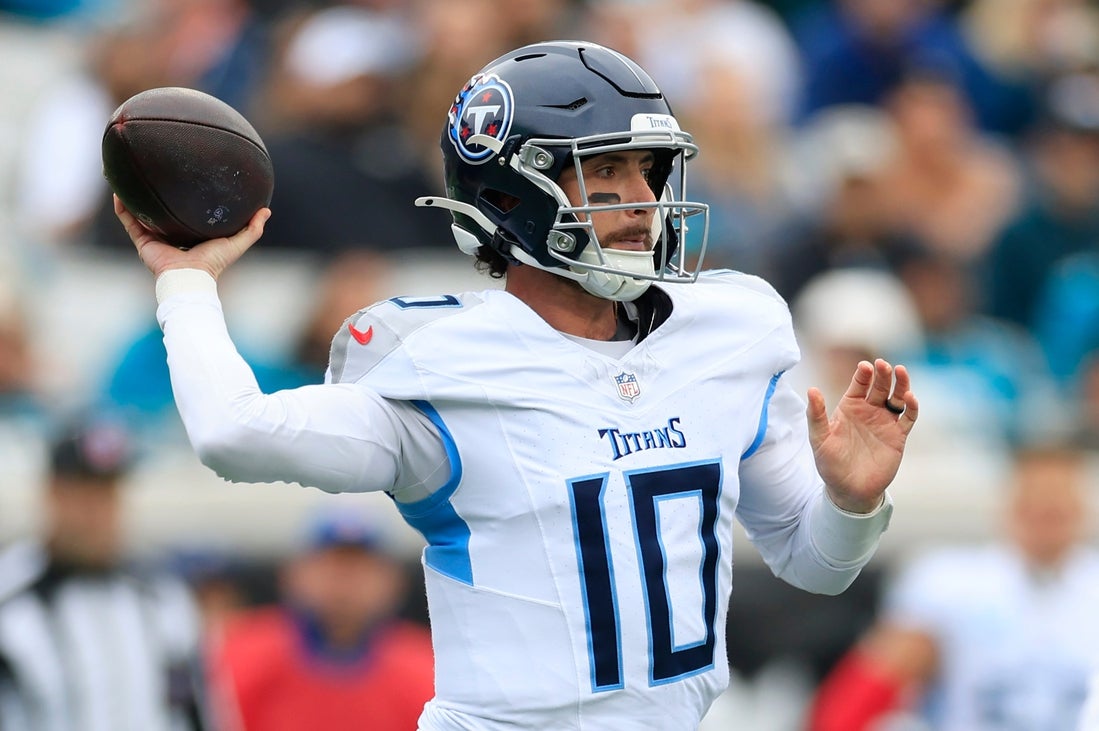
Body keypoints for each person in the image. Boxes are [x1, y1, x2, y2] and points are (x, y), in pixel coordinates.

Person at [115, 40, 919, 730]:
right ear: (510, 196)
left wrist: (851, 503)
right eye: (603, 172)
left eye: (648, 170)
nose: (641, 201)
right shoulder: (442, 362)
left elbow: (815, 563)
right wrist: (187, 284)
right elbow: (232, 433)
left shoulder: (729, 328)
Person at [807, 444, 1099, 731]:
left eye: (1058, 501)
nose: (1048, 510)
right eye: (1037, 500)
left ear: (1080, 507)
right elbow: (864, 690)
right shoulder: (951, 582)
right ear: (1012, 504)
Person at [0, 416, 210, 730]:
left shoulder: (162, 595)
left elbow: (196, 709)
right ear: (52, 494)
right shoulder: (11, 597)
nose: (97, 514)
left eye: (107, 495)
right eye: (83, 496)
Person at [208, 510, 434, 731]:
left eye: (359, 568)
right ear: (294, 575)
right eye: (330, 565)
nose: (344, 583)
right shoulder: (238, 652)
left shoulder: (427, 668)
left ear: (393, 582)